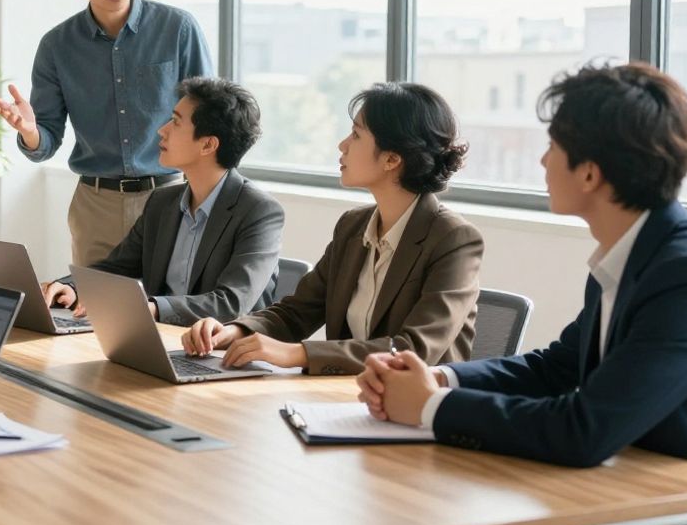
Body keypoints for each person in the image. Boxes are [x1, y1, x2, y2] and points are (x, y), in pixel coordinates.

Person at [358, 63, 687, 525]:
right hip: (634, 504)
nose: (543, 163)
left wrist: (431, 406)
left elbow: (584, 430)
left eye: (553, 148)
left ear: (589, 173)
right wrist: (437, 376)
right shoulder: (631, 255)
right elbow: (556, 368)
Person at [182, 83, 483, 375]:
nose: (343, 145)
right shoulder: (353, 226)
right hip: (345, 397)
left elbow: (414, 349)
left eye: (356, 134)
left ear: (392, 158)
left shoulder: (454, 239)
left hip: (415, 410)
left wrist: (297, 353)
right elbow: (298, 312)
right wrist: (234, 330)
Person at [0, 0, 214, 266]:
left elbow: (209, 117)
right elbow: (45, 143)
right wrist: (31, 132)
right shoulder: (57, 46)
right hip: (96, 205)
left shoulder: (178, 29)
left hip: (171, 197)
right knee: (89, 312)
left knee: (171, 309)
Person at [42, 77, 283, 326]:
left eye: (176, 122)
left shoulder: (259, 211)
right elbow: (116, 268)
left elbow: (231, 303)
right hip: (160, 341)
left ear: (208, 145)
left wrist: (152, 308)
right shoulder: (162, 201)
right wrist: (73, 287)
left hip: (224, 353)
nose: (162, 129)